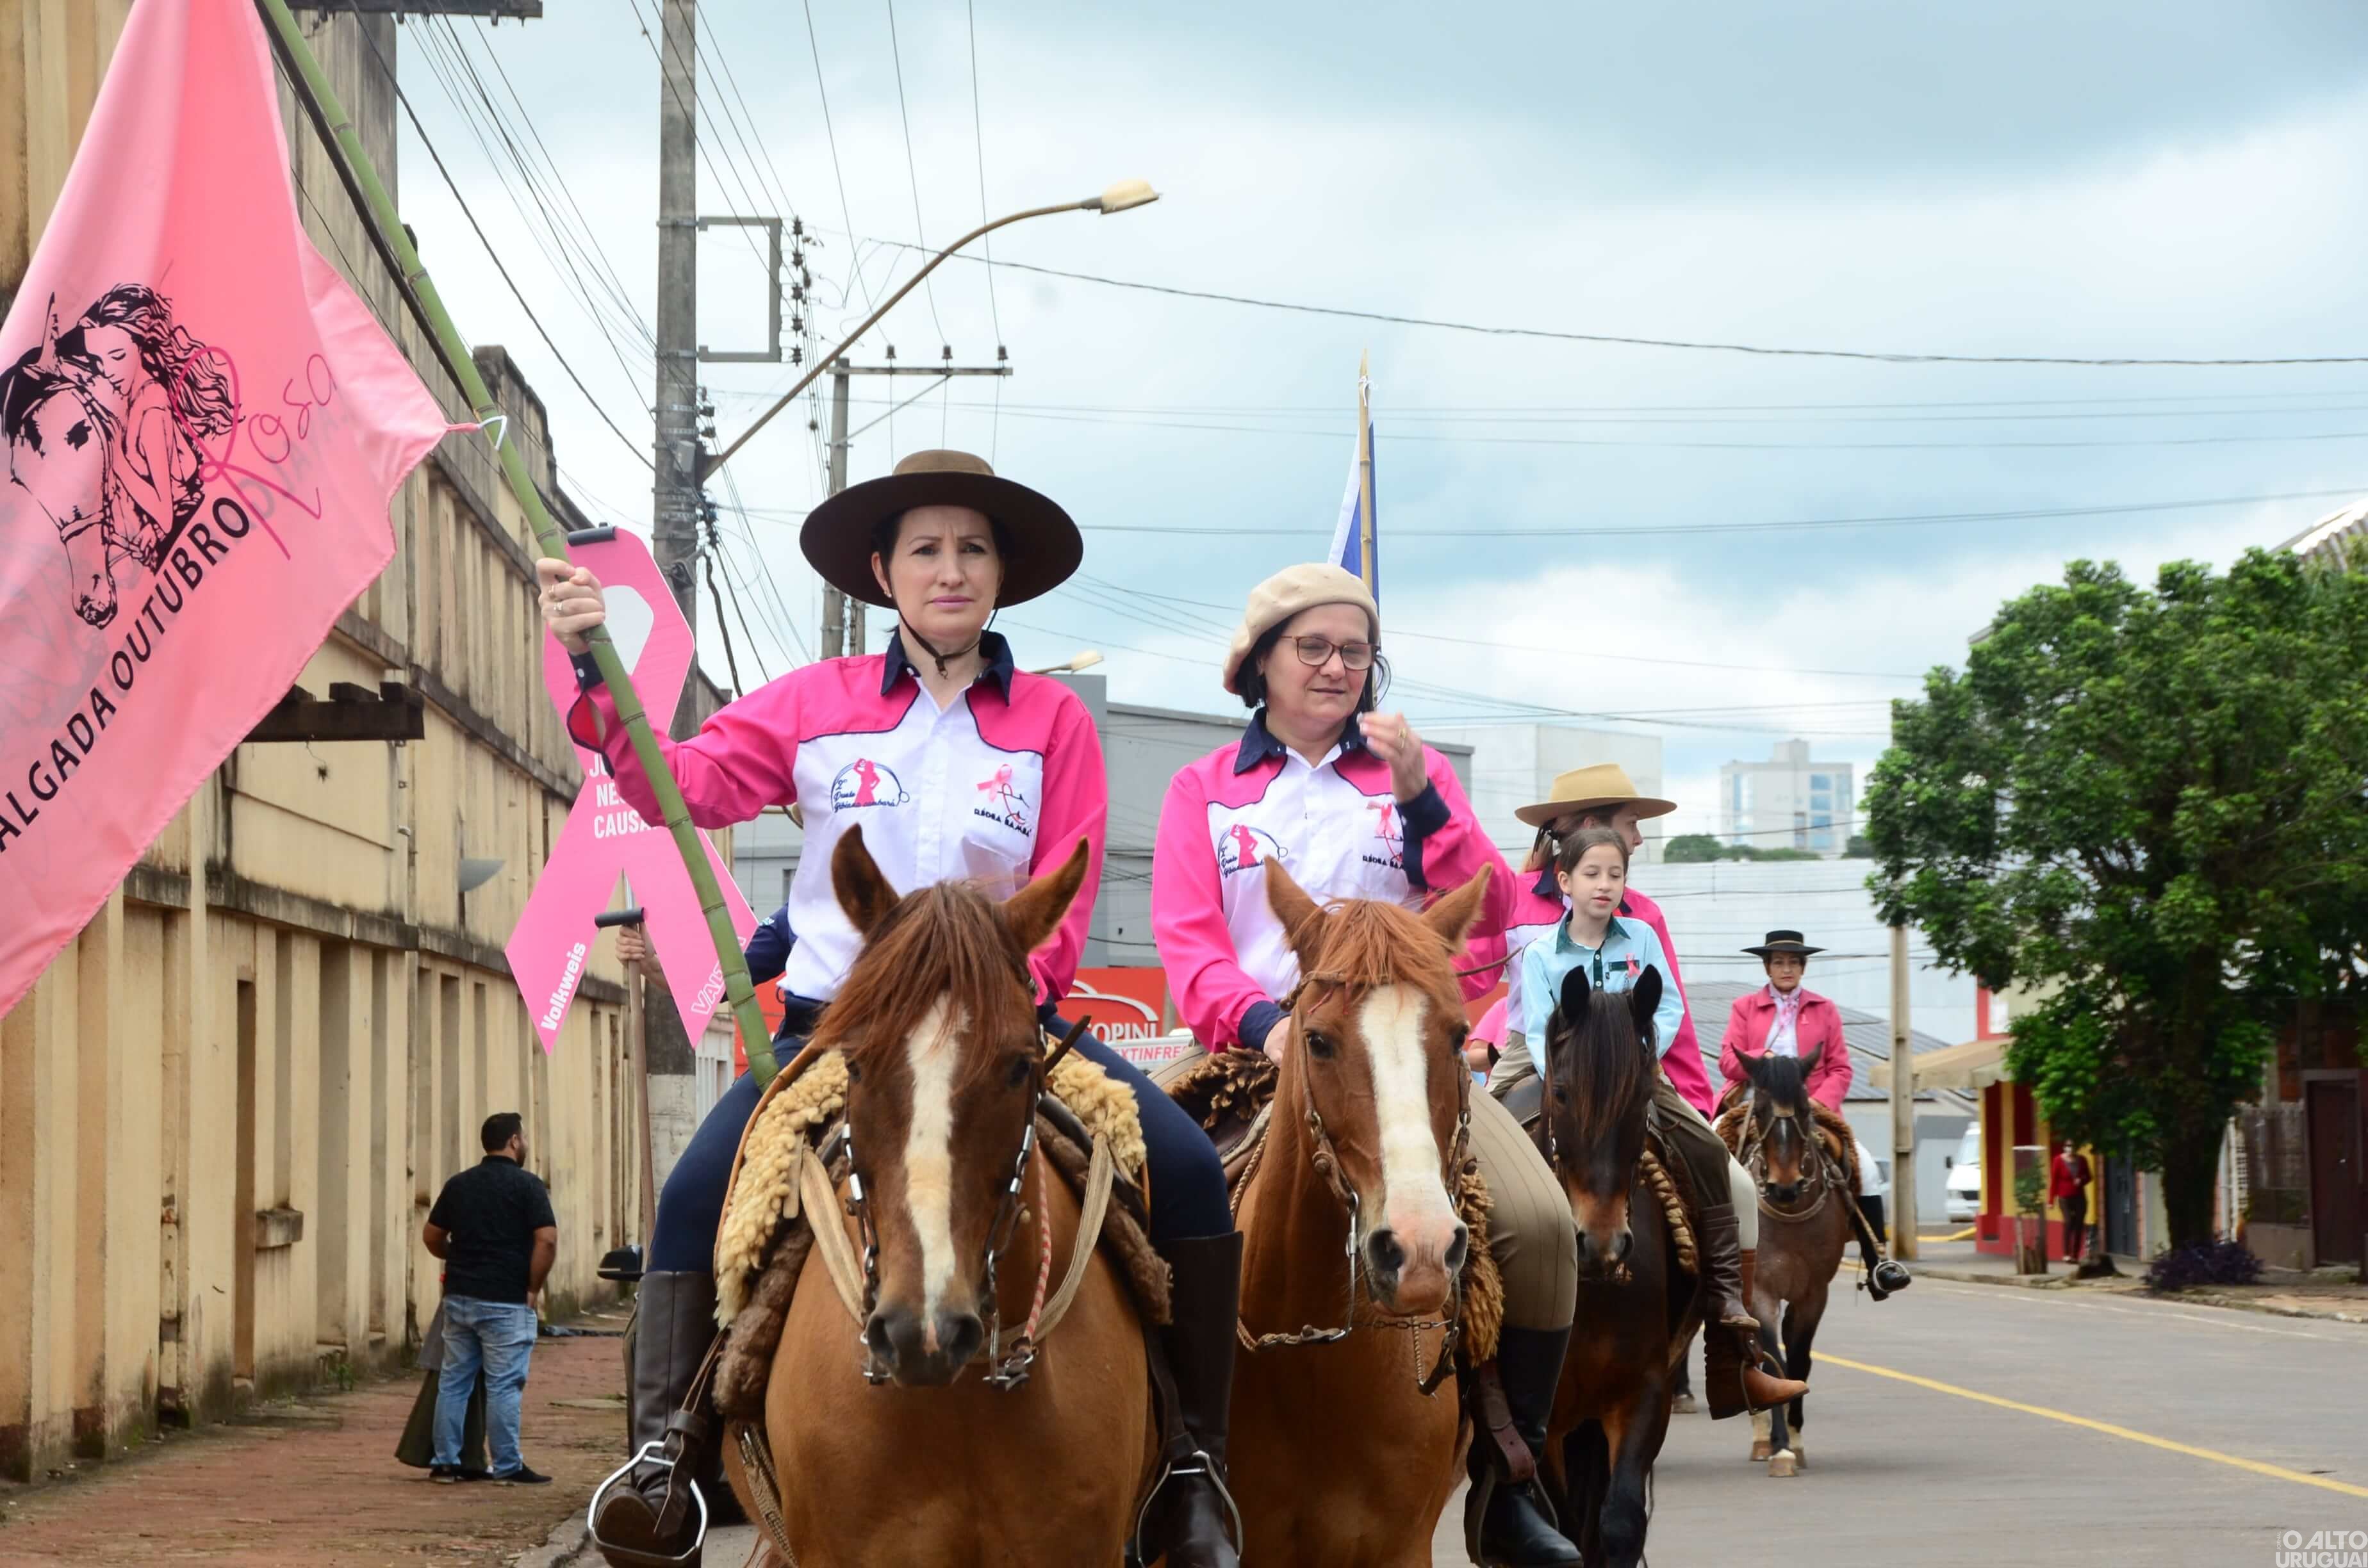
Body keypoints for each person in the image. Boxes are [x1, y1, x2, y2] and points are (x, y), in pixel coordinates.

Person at [541, 450, 1241, 1568]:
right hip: (838, 1030)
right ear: (883, 570)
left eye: (972, 548)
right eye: (926, 548)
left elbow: (1065, 879)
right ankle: (666, 1457)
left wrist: (1010, 1009)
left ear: (1001, 573)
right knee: (689, 1194)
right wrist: (594, 665)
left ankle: (1196, 1467)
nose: (950, 570)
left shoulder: (1053, 719)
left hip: (1010, 1029)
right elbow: (683, 785)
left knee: (1194, 1172)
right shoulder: (815, 705)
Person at [1152, 563, 1584, 1568]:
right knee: (1121, 1204)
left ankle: (1505, 1485)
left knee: (1541, 1224)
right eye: (1313, 647)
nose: (1337, 667)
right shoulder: (1204, 790)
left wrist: (1426, 799)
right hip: (1247, 1051)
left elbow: (1489, 926)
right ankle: (1161, 1470)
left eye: (1355, 651)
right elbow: (1187, 939)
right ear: (1259, 663)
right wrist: (1263, 1023)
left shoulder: (1410, 773)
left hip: (1406, 1064)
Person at [1470, 765, 1801, 1422]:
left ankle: (1734, 1341)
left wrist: (1635, 1056)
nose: (1612, 877)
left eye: (1615, 872)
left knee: (1728, 1175)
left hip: (1632, 1067)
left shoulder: (1642, 931)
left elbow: (1669, 1005)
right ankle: (1462, 1332)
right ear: (1568, 871)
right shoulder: (1531, 936)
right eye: (1598, 868)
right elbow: (1534, 1025)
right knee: (1472, 1163)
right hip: (1541, 1068)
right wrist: (1567, 1074)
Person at [1721, 930, 1913, 1300]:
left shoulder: (1825, 1009)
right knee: (1708, 1151)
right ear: (1767, 967)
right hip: (1755, 1101)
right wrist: (1764, 1060)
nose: (1786, 968)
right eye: (1779, 962)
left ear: (1803, 967)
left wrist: (1820, 1103)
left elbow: (1841, 1068)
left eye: (1794, 962)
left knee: (1868, 1168)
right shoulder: (1744, 1007)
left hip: (1811, 1104)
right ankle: (1702, 1253)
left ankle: (1879, 1263)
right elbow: (1730, 1061)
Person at [422, 1112, 557, 1486]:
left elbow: (432, 1235)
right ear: (514, 1141)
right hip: (506, 1299)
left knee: (454, 1381)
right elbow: (546, 1240)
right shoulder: (528, 1187)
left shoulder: (460, 1184)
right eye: (523, 1137)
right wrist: (532, 1288)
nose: (525, 1143)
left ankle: (445, 1462)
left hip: (460, 1296)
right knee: (504, 1385)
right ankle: (508, 1464)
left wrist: (457, 1256)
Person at [2052, 1139, 2091, 1265]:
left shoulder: (2082, 1160)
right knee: (2069, 1222)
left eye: (2073, 1146)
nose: (2070, 1148)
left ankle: (2075, 1254)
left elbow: (2089, 1176)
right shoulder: (2058, 1160)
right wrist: (2050, 1200)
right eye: (2068, 1145)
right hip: (2064, 1197)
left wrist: (2081, 1180)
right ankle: (2066, 1254)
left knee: (2079, 1224)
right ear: (2064, 1147)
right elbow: (2054, 1180)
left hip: (2079, 1196)